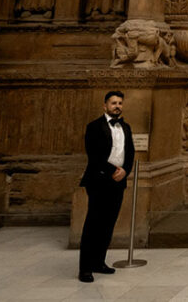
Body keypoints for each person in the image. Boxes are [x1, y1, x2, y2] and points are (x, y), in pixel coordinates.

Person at [78, 90, 135, 283]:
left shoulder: (126, 127)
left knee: (108, 223)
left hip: (119, 181)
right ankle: (85, 268)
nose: (117, 106)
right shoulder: (94, 126)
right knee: (93, 224)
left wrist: (125, 170)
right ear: (105, 106)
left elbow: (130, 152)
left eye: (120, 103)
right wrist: (113, 170)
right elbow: (93, 155)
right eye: (113, 103)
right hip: (99, 179)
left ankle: (99, 262)